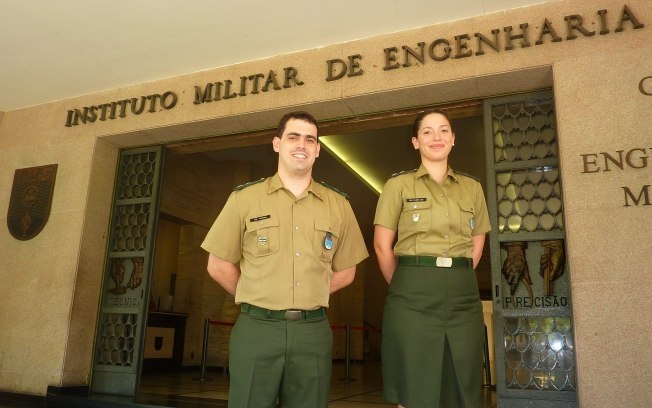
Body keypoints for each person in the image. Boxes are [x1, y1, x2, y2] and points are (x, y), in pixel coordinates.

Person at [201, 111, 369, 408]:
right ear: (277, 143)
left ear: (318, 149)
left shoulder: (339, 205)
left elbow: (347, 271)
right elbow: (217, 265)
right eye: (293, 137)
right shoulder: (244, 199)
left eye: (310, 139)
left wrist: (306, 291)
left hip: (312, 333)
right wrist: (257, 292)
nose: (301, 144)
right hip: (257, 329)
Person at [373, 109, 491, 408]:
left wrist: (454, 273)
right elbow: (382, 246)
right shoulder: (398, 186)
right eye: (427, 131)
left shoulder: (472, 187)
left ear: (453, 139)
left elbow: (477, 242)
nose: (436, 137)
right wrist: (404, 285)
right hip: (412, 293)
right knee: (413, 385)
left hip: (463, 296)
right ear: (416, 142)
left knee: (461, 381)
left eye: (443, 130)